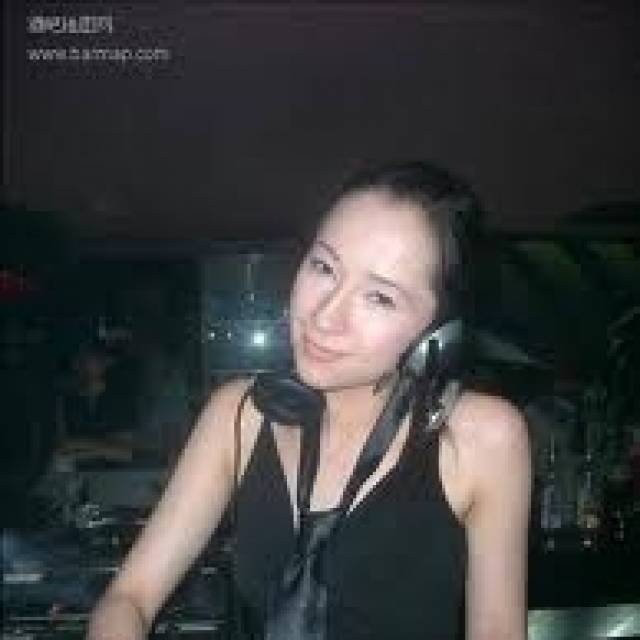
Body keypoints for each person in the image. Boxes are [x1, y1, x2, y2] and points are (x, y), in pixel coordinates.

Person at [86, 161, 532, 640]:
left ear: (439, 333)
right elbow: (130, 597)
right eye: (324, 267)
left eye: (379, 298)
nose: (325, 316)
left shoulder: (481, 438)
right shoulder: (238, 414)